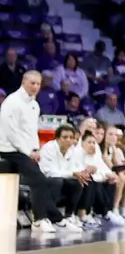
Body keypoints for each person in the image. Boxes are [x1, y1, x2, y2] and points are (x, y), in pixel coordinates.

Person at [0, 71, 72, 231]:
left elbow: (32, 131)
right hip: (9, 150)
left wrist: (36, 149)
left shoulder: (34, 105)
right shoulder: (12, 102)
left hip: (25, 151)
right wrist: (28, 151)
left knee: (42, 181)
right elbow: (11, 132)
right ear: (23, 81)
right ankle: (40, 220)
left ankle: (55, 218)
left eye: (38, 84)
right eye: (32, 83)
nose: (35, 87)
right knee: (40, 180)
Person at [36, 124, 85, 230]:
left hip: (63, 180)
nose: (68, 140)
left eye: (71, 137)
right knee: (57, 181)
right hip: (45, 181)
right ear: (57, 138)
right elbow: (50, 172)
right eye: (65, 137)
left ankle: (69, 215)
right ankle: (49, 217)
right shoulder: (48, 148)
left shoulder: (73, 151)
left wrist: (81, 173)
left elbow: (77, 168)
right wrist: (72, 173)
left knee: (78, 183)